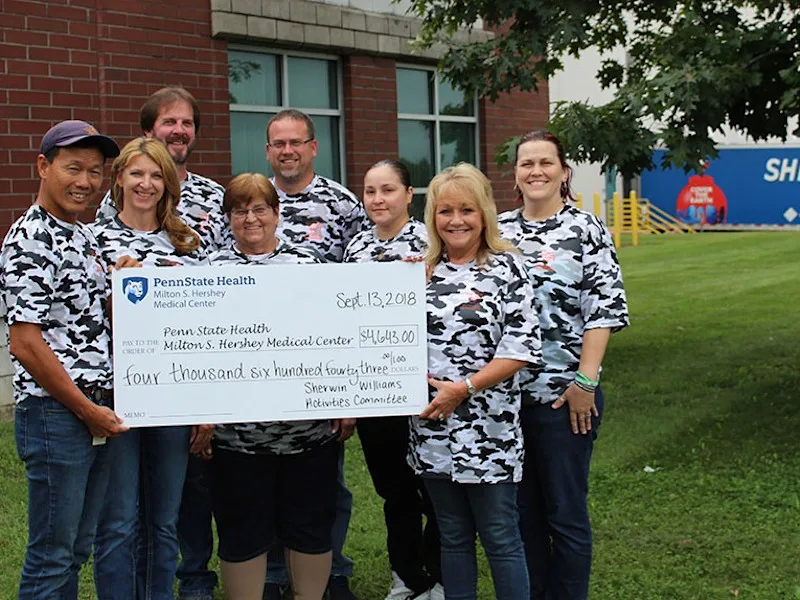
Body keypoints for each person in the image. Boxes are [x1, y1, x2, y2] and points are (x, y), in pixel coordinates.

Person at [94, 87, 225, 600]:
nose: (146, 183)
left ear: (167, 184)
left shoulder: (188, 246)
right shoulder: (95, 242)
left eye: (156, 176)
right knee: (120, 520)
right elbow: (86, 326)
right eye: (136, 174)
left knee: (165, 520)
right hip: (119, 401)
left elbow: (208, 331)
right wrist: (112, 293)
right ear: (120, 179)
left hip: (174, 402)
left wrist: (206, 407)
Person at [497, 130, 630, 600]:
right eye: (526, 163)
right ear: (515, 173)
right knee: (521, 514)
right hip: (504, 403)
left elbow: (604, 311)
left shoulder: (586, 229)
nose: (536, 171)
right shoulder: (497, 231)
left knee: (565, 513)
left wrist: (584, 383)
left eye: (545, 162)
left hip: (563, 399)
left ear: (563, 171)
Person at [0, 120, 130, 599]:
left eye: (96, 172)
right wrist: (86, 409)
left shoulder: (81, 234)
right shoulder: (31, 238)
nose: (86, 181)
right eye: (74, 168)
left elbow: (90, 319)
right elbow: (25, 343)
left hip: (90, 409)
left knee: (76, 548)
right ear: (43, 166)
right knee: (52, 554)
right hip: (59, 415)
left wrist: (122, 284)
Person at [208, 173, 350, 600]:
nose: (250, 218)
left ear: (276, 213)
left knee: (310, 530)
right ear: (228, 217)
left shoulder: (312, 266)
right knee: (241, 534)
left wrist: (349, 401)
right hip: (237, 439)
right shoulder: (208, 273)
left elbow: (342, 338)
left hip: (307, 436)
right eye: (239, 210)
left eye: (259, 209)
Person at [409, 163, 541, 600]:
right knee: (452, 536)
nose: (456, 220)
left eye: (467, 209)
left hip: (490, 429)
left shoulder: (508, 269)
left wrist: (463, 389)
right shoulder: (417, 274)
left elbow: (521, 347)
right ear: (433, 218)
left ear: (484, 213)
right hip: (432, 430)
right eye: (445, 211)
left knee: (501, 537)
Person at [264, 109, 366, 600]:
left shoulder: (342, 205)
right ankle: (274, 577)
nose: (287, 151)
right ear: (268, 151)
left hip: (323, 364)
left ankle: (332, 571)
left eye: (296, 142)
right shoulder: (250, 201)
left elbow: (357, 290)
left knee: (327, 481)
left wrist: (345, 388)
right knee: (266, 480)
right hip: (260, 363)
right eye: (278, 143)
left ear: (313, 147)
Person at [343, 160, 442, 600]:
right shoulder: (355, 248)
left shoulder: (431, 243)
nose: (377, 199)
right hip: (375, 391)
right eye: (369, 191)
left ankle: (439, 577)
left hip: (425, 388)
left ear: (409, 194)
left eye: (387, 190)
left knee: (434, 491)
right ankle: (407, 576)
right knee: (394, 490)